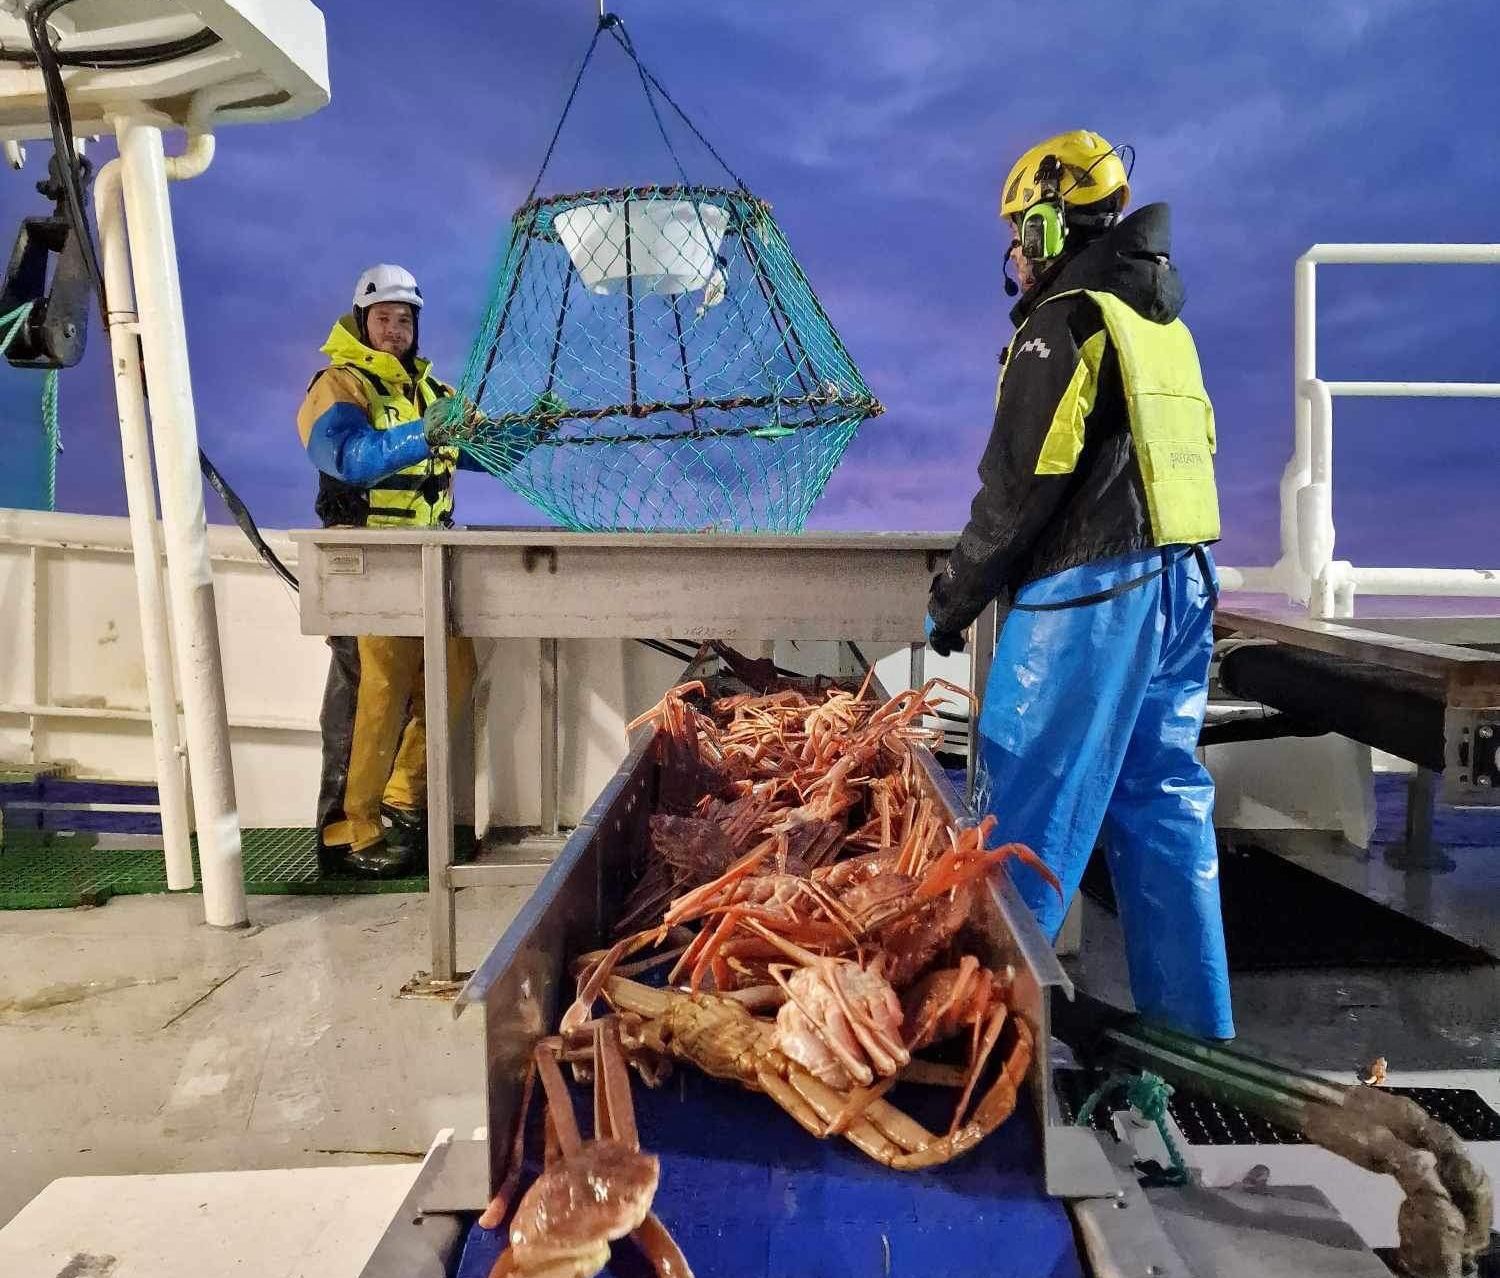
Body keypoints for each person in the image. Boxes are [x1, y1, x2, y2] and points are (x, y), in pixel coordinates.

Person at [925, 131, 1233, 1039]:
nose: (1015, 254)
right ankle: (1195, 1043)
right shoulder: (1161, 320)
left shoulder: (1067, 319)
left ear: (1054, 219)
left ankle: (986, 1054)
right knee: (1164, 810)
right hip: (1183, 587)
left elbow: (1020, 482)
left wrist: (954, 599)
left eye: (1022, 230)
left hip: (1093, 598)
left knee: (1019, 817)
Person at [297, 264, 485, 878]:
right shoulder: (339, 385)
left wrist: (527, 428)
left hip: (431, 562)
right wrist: (422, 436)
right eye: (383, 318)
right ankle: (351, 831)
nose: (395, 330)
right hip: (371, 565)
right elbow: (349, 458)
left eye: (405, 320)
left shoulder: (433, 395)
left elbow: (482, 449)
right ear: (361, 320)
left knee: (455, 676)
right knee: (376, 694)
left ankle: (403, 804)